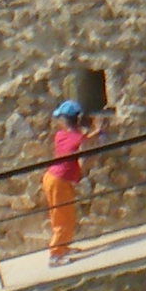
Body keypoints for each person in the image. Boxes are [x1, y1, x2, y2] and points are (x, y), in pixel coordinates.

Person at [42, 96, 96, 264]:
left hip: (52, 178)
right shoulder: (80, 139)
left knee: (62, 215)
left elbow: (78, 141)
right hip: (60, 181)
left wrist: (93, 134)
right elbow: (84, 157)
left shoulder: (60, 135)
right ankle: (55, 255)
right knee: (63, 217)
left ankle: (63, 247)